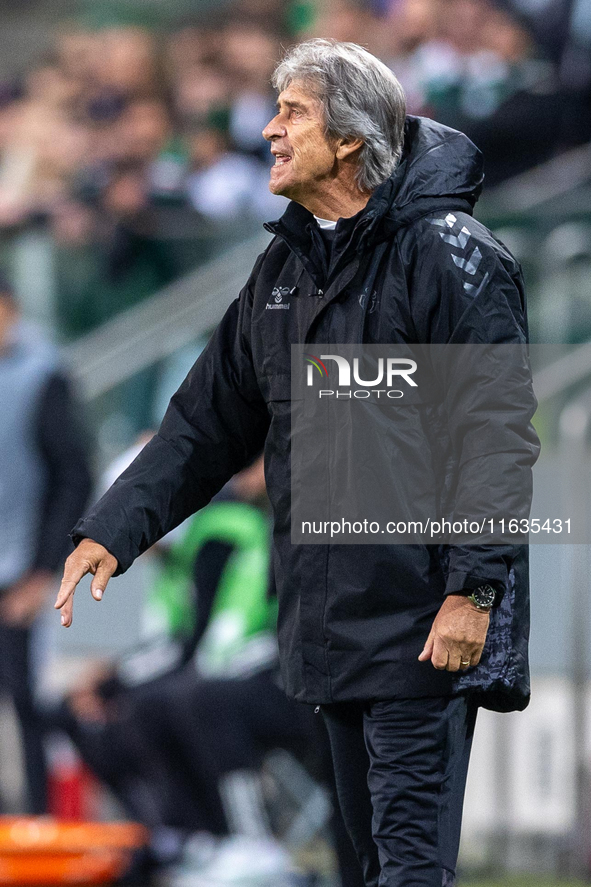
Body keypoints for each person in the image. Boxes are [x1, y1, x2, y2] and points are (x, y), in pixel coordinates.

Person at [56, 39, 539, 887]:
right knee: (363, 871)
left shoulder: (450, 251)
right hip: (322, 634)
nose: (269, 131)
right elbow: (202, 425)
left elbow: (492, 434)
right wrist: (113, 528)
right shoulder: (281, 269)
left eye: (293, 113)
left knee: (408, 871)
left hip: (422, 625)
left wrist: (475, 590)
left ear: (350, 138)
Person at [0, 276, 92, 813]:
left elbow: (72, 478)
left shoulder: (41, 374)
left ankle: (49, 825)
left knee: (36, 707)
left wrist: (42, 571)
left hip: (27, 574)